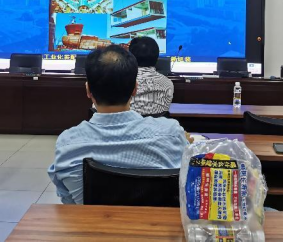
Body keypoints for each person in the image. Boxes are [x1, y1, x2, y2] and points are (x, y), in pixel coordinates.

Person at [48, 45, 190, 204]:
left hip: (91, 220)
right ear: (135, 89)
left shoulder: (68, 143)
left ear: (88, 90)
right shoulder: (172, 133)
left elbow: (69, 203)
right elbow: (188, 186)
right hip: (155, 220)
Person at [129, 37, 174, 116]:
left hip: (128, 123)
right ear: (157, 56)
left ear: (130, 57)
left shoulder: (122, 82)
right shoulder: (167, 84)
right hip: (158, 124)